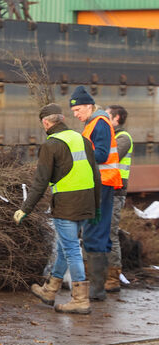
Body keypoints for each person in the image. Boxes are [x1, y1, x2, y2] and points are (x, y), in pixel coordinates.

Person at [14, 103, 101, 314]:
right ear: (61, 119)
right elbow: (96, 175)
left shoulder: (51, 145)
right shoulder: (81, 139)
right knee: (65, 247)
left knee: (71, 250)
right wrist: (96, 207)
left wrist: (25, 208)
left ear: (46, 122)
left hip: (66, 205)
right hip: (86, 202)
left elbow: (40, 181)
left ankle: (80, 300)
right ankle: (50, 290)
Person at [69, 86, 122, 301]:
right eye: (73, 111)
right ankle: (98, 287)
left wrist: (74, 152)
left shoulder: (99, 123)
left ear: (89, 106)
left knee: (94, 231)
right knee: (97, 231)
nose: (76, 114)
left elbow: (99, 154)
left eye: (78, 109)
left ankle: (97, 289)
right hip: (101, 184)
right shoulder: (93, 123)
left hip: (101, 184)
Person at [105, 105, 133, 292]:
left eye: (107, 116)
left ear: (117, 118)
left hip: (115, 193)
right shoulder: (112, 137)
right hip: (106, 191)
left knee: (110, 235)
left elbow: (110, 157)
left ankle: (113, 279)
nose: (104, 120)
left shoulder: (123, 138)